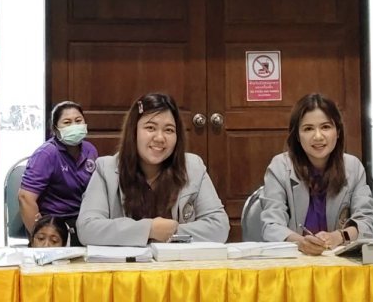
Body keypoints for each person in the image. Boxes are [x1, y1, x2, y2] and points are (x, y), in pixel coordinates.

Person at [76, 93, 229, 246]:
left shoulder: (193, 167)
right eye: (150, 128)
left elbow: (219, 227)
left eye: (169, 130)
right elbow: (87, 228)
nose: (160, 138)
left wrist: (170, 233)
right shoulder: (106, 169)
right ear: (133, 131)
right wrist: (149, 229)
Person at [260, 93, 373, 255]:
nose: (318, 136)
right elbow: (271, 226)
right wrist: (300, 243)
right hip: (294, 260)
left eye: (326, 127)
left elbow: (367, 223)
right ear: (297, 136)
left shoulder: (353, 167)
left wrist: (338, 237)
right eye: (308, 129)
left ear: (338, 131)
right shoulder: (280, 167)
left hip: (340, 261)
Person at [18, 101, 98, 234]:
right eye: (67, 122)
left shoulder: (90, 150)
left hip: (84, 218)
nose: (74, 126)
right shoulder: (46, 154)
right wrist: (39, 236)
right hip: (53, 221)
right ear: (55, 129)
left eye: (78, 121)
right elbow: (25, 197)